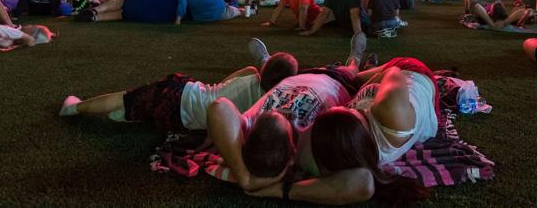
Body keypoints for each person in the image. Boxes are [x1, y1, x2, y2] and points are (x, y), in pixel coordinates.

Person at [246, 57, 437, 204]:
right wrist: (371, 82)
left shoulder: (349, 151)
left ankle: (359, 63)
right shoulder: (391, 115)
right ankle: (359, 62)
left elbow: (359, 180)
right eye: (343, 110)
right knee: (355, 77)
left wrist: (281, 189)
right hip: (414, 73)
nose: (343, 107)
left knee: (354, 77)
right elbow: (395, 72)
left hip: (381, 86)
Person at [207, 35, 366, 192]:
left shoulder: (251, 130)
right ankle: (355, 58)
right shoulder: (310, 148)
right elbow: (363, 180)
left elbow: (219, 107)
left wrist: (244, 178)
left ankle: (266, 61)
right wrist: (281, 190)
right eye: (286, 119)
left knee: (281, 66)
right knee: (352, 71)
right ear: (292, 153)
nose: (284, 110)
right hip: (338, 81)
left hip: (292, 77)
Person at [59, 48, 298, 132]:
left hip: (180, 95)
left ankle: (73, 108)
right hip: (185, 122)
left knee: (125, 97)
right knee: (148, 104)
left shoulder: (251, 77)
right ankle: (133, 113)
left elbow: (245, 74)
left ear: (265, 69)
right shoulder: (270, 110)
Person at [464, 0, 534, 29]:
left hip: (481, 5)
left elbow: (478, 7)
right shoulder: (506, 19)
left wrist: (492, 24)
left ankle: (466, 12)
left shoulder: (486, 17)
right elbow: (526, 11)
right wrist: (506, 22)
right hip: (487, 4)